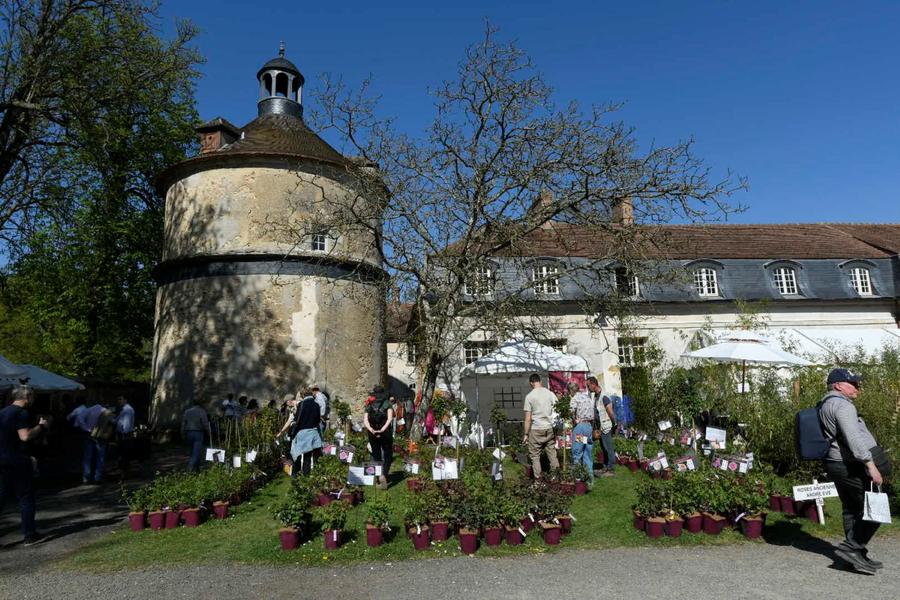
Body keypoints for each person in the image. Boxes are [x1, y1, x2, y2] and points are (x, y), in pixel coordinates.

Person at [819, 368, 891, 575]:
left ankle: (855, 555)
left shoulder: (827, 403)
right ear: (839, 385)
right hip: (848, 465)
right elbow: (855, 440)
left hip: (836, 464)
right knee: (874, 510)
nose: (858, 387)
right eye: (853, 383)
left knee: (852, 509)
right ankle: (851, 548)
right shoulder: (842, 406)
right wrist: (871, 466)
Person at [0, 385, 49, 546]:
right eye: (33, 397)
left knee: (1, 497)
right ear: (27, 397)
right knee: (26, 498)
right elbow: (25, 436)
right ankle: (29, 535)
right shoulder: (22, 413)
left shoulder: (3, 412)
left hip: (2, 459)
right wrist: (40, 426)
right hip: (17, 460)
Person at [522, 373, 559, 479]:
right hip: (549, 427)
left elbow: (528, 418)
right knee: (552, 453)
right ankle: (556, 477)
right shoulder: (550, 394)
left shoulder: (529, 396)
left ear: (531, 383)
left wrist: (525, 434)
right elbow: (557, 409)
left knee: (535, 456)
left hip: (536, 428)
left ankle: (538, 481)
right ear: (540, 381)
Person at [364, 384, 394, 489]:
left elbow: (365, 420)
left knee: (376, 455)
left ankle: (378, 477)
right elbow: (390, 418)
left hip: (372, 433)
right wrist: (383, 429)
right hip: (385, 432)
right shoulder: (387, 403)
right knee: (387, 454)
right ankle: (384, 474)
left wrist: (371, 429)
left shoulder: (369, 404)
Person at [75, 401, 113, 484]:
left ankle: (86, 478)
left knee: (87, 456)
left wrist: (86, 428)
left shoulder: (88, 410)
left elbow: (79, 418)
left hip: (88, 434)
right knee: (100, 457)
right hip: (101, 436)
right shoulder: (106, 411)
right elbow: (112, 423)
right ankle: (97, 477)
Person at [587, 377, 617, 475]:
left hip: (606, 426)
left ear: (593, 384)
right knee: (603, 447)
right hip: (600, 427)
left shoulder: (604, 396)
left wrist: (614, 424)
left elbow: (610, 411)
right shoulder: (595, 396)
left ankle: (611, 468)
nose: (588, 388)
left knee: (608, 447)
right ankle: (605, 466)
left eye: (588, 386)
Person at [567, 381, 595, 486]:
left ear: (570, 391)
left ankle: (577, 478)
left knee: (577, 452)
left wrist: (574, 420)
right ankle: (590, 480)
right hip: (588, 427)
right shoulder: (587, 397)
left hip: (580, 428)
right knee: (587, 453)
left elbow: (571, 412)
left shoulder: (575, 399)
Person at [289, 390, 323, 476]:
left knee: (298, 455)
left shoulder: (302, 404)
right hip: (313, 432)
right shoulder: (317, 405)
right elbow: (318, 420)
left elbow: (297, 419)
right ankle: (307, 476)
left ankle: (296, 475)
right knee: (308, 457)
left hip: (302, 433)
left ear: (303, 396)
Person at [181, 400, 209, 472]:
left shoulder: (187, 411)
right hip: (198, 433)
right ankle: (189, 469)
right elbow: (205, 423)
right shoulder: (202, 411)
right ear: (200, 404)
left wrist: (182, 433)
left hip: (189, 432)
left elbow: (183, 423)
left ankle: (197, 469)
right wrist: (209, 431)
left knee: (191, 452)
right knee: (196, 452)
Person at [115, 396, 135, 477]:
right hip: (122, 434)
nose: (119, 401)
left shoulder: (127, 410)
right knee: (123, 453)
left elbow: (126, 424)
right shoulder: (124, 409)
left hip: (124, 435)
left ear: (125, 400)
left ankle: (125, 472)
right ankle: (124, 471)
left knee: (124, 453)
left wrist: (124, 434)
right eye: (118, 399)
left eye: (121, 399)